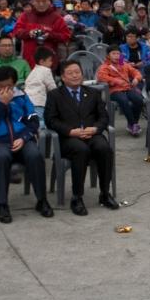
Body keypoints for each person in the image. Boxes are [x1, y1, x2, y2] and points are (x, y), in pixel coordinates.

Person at [0, 65, 49, 224]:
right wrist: (2, 104)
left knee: (35, 155)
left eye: (7, 86)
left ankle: (42, 200)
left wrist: (24, 137)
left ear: (14, 85)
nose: (2, 90)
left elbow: (33, 121)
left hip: (21, 139)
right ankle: (2, 205)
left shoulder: (21, 96)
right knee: (1, 158)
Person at [45, 59, 116, 215]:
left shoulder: (93, 93)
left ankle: (104, 193)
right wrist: (70, 131)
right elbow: (50, 120)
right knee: (81, 150)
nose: (75, 75)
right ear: (63, 77)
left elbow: (104, 117)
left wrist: (96, 128)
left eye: (77, 72)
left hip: (91, 134)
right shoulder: (54, 95)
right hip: (69, 138)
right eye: (70, 73)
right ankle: (77, 197)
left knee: (104, 148)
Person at [13, 0, 71, 67]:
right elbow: (16, 31)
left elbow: (66, 35)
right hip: (29, 61)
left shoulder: (56, 17)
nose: (41, 4)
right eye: (38, 1)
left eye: (44, 1)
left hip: (49, 61)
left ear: (49, 2)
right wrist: (29, 33)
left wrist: (49, 35)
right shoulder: (26, 15)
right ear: (33, 2)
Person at [95, 49, 144, 136]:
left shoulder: (123, 64)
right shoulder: (105, 66)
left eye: (118, 53)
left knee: (139, 99)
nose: (116, 56)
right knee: (123, 100)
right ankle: (133, 124)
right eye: (113, 53)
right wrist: (115, 81)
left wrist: (137, 78)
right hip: (113, 91)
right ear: (108, 55)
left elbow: (136, 72)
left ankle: (132, 123)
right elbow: (101, 77)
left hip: (127, 88)